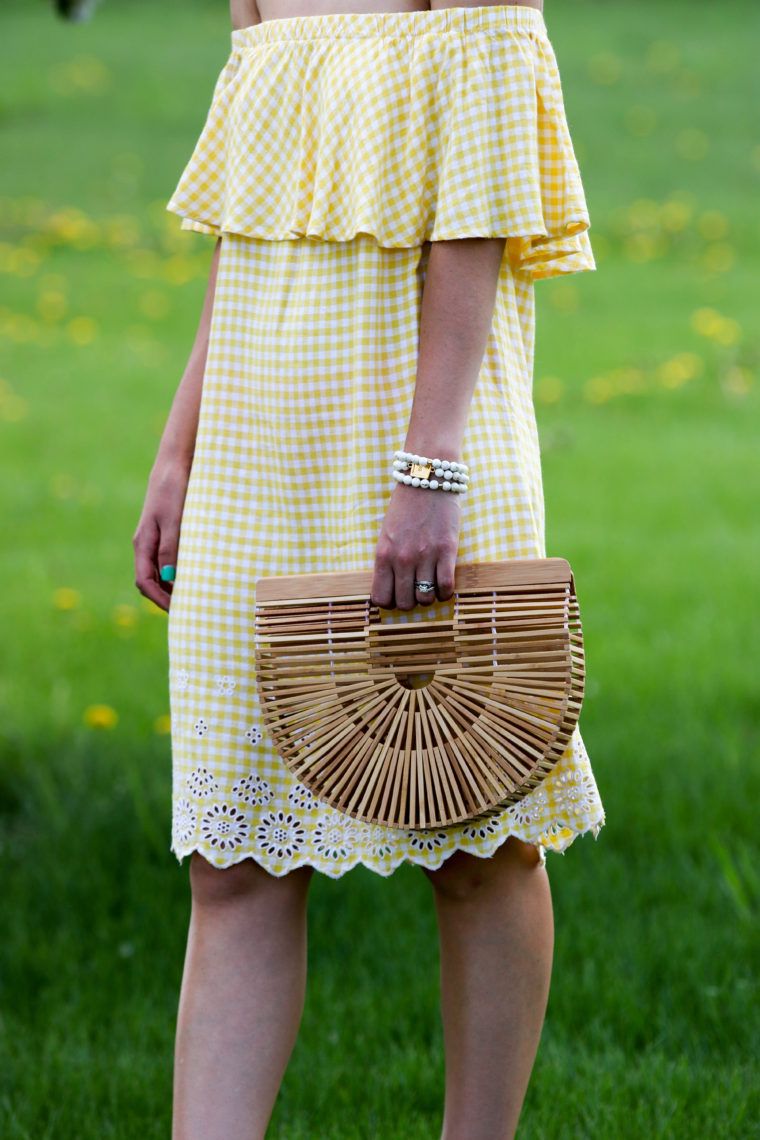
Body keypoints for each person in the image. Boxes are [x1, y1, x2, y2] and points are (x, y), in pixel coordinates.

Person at [134, 2, 605, 1136]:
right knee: (231, 861)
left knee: (480, 838)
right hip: (256, 441)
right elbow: (249, 221)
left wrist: (429, 466)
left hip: (423, 442)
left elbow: (480, 209)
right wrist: (181, 448)